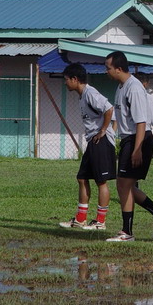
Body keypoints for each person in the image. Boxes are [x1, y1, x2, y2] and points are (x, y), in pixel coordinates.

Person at [104, 51, 153, 242]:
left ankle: (127, 232)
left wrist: (137, 149)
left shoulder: (134, 88)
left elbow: (141, 122)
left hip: (138, 139)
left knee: (123, 184)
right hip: (129, 140)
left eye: (108, 68)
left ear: (119, 69)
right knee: (126, 185)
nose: (106, 71)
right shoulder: (121, 87)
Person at [58, 63, 115, 231]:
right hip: (93, 141)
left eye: (66, 79)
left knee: (101, 181)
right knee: (82, 178)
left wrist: (103, 131)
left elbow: (109, 109)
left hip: (101, 141)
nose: (65, 83)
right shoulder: (82, 95)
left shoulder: (90, 93)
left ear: (75, 79)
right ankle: (80, 219)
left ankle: (100, 222)